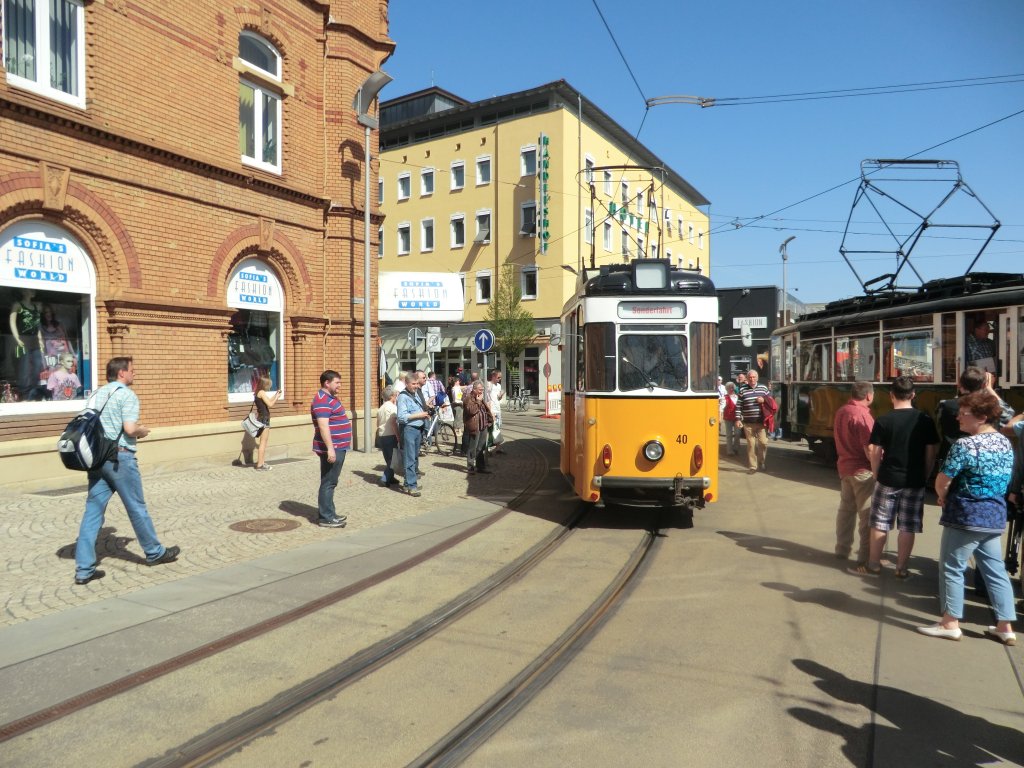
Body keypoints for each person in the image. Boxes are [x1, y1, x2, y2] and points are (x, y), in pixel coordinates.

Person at [918, 391, 1016, 644]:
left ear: (981, 417)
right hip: (994, 514)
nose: (958, 418)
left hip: (965, 514)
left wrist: (942, 495)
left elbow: (943, 479)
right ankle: (1005, 626)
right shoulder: (1005, 442)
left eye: (964, 414)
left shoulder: (964, 445)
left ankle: (950, 622)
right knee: (995, 570)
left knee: (952, 567)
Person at [73, 356, 179, 585]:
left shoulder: (96, 394)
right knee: (136, 507)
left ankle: (83, 570)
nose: (134, 374)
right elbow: (129, 429)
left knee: (92, 512)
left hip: (97, 459)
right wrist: (142, 430)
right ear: (122, 373)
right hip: (120, 459)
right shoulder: (126, 395)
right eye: (132, 370)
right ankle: (154, 552)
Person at [851, 376, 939, 577]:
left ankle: (874, 564)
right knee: (908, 525)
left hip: (888, 478)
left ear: (891, 395)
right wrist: (925, 475)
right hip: (914, 479)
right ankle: (901, 568)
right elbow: (931, 452)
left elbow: (875, 451)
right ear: (913, 395)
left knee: (880, 522)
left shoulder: (884, 420)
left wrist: (876, 473)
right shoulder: (924, 420)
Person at [833, 381, 875, 568]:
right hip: (862, 471)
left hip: (844, 467)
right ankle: (864, 557)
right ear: (869, 396)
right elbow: (870, 449)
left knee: (846, 511)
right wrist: (878, 468)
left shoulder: (842, 411)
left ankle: (842, 549)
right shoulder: (863, 415)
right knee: (866, 516)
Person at [311, 369, 352, 527]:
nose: (339, 385)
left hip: (339, 445)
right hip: (333, 447)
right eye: (337, 382)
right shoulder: (321, 400)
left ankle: (330, 512)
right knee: (328, 482)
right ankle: (326, 517)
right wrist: (330, 449)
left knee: (331, 481)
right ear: (326, 383)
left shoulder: (330, 398)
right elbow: (323, 426)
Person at [397, 369, 430, 497]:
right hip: (409, 429)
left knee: (414, 457)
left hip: (418, 429)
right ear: (407, 383)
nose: (416, 386)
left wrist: (425, 413)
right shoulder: (403, 397)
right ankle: (411, 486)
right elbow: (401, 417)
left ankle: (408, 483)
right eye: (413, 384)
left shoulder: (416, 393)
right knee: (410, 458)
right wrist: (419, 415)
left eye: (417, 383)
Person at [9, 288, 45, 400]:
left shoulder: (35, 307)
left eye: (33, 290)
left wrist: (40, 339)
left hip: (34, 340)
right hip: (23, 339)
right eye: (30, 290)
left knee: (37, 367)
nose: (32, 291)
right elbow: (12, 321)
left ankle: (33, 392)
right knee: (24, 368)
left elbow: (37, 324)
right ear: (23, 292)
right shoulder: (18, 305)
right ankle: (24, 394)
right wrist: (16, 338)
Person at [735, 369, 772, 473]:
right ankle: (753, 466)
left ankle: (762, 461)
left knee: (763, 443)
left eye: (754, 377)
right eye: (750, 377)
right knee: (751, 444)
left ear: (757, 378)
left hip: (761, 422)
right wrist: (738, 419)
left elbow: (770, 401)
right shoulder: (742, 389)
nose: (752, 379)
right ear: (747, 378)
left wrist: (764, 400)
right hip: (748, 423)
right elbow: (739, 405)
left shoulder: (763, 388)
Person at [463, 380, 492, 474]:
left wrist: (489, 419)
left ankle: (480, 467)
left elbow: (485, 410)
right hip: (474, 426)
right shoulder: (468, 399)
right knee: (472, 448)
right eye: (480, 390)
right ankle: (470, 467)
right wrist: (479, 401)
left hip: (483, 426)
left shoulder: (480, 397)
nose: (481, 391)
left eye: (482, 390)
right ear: (474, 389)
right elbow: (471, 411)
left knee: (481, 448)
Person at [253, 375, 281, 471]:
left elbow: (268, 401)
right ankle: (260, 465)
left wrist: (275, 395)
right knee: (263, 443)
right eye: (268, 385)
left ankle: (261, 462)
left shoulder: (258, 392)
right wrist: (277, 397)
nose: (269, 387)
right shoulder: (262, 392)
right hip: (264, 419)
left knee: (263, 442)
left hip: (261, 418)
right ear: (265, 384)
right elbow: (270, 404)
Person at [376, 385, 400, 487]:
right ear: (392, 396)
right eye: (396, 395)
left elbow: (378, 423)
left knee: (388, 457)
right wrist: (398, 436)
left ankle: (391, 477)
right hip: (390, 435)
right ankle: (385, 478)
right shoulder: (393, 407)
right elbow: (393, 423)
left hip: (382, 435)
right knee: (393, 459)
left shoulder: (381, 408)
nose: (396, 397)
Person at [484, 368, 505, 454]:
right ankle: (488, 447)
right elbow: (486, 397)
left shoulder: (499, 386)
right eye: (498, 377)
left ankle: (497, 447)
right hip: (492, 410)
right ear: (493, 376)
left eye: (500, 378)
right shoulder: (489, 384)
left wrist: (501, 396)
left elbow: (498, 398)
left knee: (497, 428)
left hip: (498, 409)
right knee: (491, 429)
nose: (500, 379)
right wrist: (489, 410)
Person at [722, 382, 740, 456]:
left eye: (732, 387)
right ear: (727, 389)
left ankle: (736, 448)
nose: (731, 389)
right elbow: (722, 407)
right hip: (728, 418)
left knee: (737, 433)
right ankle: (729, 451)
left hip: (737, 418)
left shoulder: (738, 397)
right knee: (729, 435)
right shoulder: (724, 397)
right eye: (729, 388)